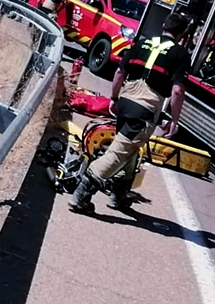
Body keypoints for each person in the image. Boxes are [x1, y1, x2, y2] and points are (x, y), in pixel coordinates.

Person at [68, 13, 192, 214]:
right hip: (144, 109)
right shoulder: (181, 55)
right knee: (118, 153)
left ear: (163, 25)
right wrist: (174, 120)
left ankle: (119, 194)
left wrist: (115, 98)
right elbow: (177, 91)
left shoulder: (142, 43)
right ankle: (81, 196)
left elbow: (119, 73)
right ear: (182, 34)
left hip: (126, 102)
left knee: (130, 149)